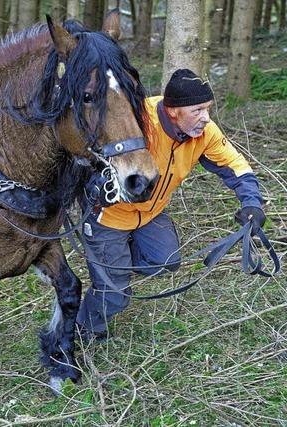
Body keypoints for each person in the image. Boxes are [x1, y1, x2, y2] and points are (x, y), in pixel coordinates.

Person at [77, 69, 266, 341]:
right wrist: (95, 185)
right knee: (115, 297)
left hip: (151, 213)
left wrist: (252, 203)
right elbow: (89, 149)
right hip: (109, 216)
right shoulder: (137, 120)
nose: (206, 118)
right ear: (173, 110)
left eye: (208, 109)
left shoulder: (205, 132)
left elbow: (235, 166)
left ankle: (119, 261)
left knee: (165, 262)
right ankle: (85, 330)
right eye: (198, 110)